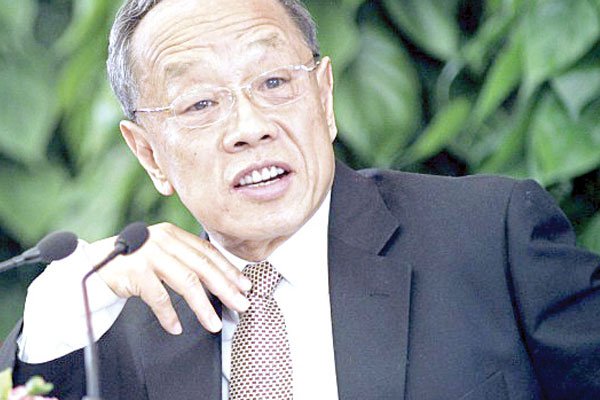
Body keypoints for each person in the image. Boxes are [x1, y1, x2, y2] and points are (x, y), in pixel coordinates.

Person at [1, 0, 600, 398]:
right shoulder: (108, 328)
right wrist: (56, 318)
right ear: (149, 154)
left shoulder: (489, 237)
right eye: (200, 104)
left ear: (324, 96)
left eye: (273, 82)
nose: (250, 127)